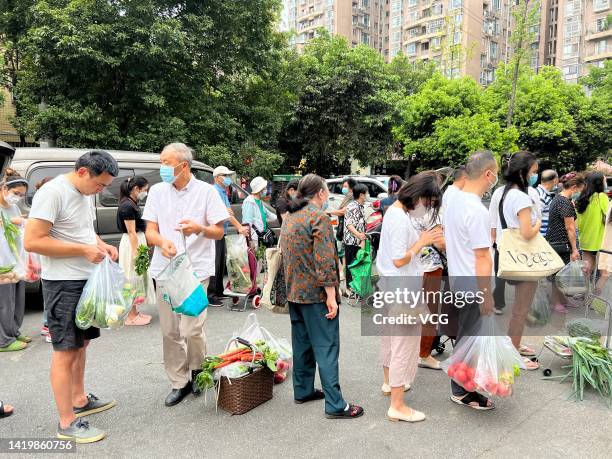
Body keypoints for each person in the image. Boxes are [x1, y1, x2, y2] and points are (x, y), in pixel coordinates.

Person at [24, 150, 120, 443]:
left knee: (82, 343)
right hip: (63, 283)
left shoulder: (83, 193)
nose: (101, 190)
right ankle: (66, 421)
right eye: (100, 185)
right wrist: (82, 251)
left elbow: (83, 232)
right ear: (82, 172)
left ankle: (79, 399)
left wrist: (102, 245)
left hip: (86, 281)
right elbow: (33, 241)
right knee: (65, 350)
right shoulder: (53, 193)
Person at [142, 143, 228, 407]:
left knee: (191, 328)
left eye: (167, 164)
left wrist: (199, 228)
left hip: (195, 272)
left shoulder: (206, 192)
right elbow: (150, 231)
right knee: (170, 331)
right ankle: (179, 382)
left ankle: (199, 369)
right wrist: (161, 242)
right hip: (165, 269)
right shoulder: (157, 191)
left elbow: (219, 231)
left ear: (184, 166)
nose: (163, 168)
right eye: (162, 163)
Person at [280, 174, 363, 419]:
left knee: (302, 344)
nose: (327, 196)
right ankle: (336, 404)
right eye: (326, 191)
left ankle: (303, 389)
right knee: (326, 347)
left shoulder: (291, 218)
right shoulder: (319, 218)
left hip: (295, 292)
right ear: (319, 193)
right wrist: (330, 295)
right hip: (316, 294)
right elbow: (326, 260)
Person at [377, 172, 443, 423]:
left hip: (391, 285)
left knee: (390, 340)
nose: (425, 209)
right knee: (404, 344)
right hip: (402, 288)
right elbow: (399, 258)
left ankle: (389, 384)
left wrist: (422, 242)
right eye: (426, 203)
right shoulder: (399, 218)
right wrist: (423, 241)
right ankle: (397, 405)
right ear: (417, 196)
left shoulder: (395, 213)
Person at [443, 150, 497, 410]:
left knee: (467, 337)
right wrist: (486, 295)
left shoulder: (454, 200)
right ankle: (463, 391)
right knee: (470, 339)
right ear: (488, 174)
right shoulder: (476, 210)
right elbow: (482, 257)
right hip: (473, 285)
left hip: (458, 280)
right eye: (495, 173)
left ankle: (465, 386)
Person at [492, 151, 541, 370]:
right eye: (533, 172)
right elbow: (527, 232)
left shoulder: (503, 193)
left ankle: (514, 345)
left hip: (508, 253)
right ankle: (513, 354)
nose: (535, 176)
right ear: (522, 173)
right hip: (524, 258)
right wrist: (538, 221)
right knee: (521, 309)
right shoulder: (522, 197)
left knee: (518, 310)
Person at [489, 167, 542, 315]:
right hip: (525, 244)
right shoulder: (530, 192)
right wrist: (538, 224)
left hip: (503, 241)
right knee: (526, 277)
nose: (534, 175)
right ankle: (524, 309)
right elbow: (537, 217)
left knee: (501, 272)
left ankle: (498, 304)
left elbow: (492, 218)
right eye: (532, 171)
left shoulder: (499, 192)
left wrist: (493, 238)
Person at [208, 166, 249, 307]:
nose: (228, 178)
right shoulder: (214, 191)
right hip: (214, 231)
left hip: (221, 231)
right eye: (224, 175)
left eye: (228, 175)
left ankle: (218, 290)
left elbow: (228, 212)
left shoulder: (223, 192)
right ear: (216, 177)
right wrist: (239, 227)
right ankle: (211, 294)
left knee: (220, 262)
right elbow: (225, 213)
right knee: (215, 263)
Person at [545, 172, 586, 312]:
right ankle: (556, 303)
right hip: (562, 244)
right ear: (574, 187)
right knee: (559, 275)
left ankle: (562, 300)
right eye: (580, 190)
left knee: (560, 274)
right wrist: (575, 249)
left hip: (554, 242)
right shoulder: (565, 203)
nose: (580, 193)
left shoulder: (557, 198)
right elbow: (570, 228)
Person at [117, 176, 154, 326]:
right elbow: (131, 232)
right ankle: (130, 317)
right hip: (132, 243)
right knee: (131, 277)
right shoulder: (127, 206)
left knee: (136, 277)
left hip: (137, 242)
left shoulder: (131, 203)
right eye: (145, 190)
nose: (146, 193)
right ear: (136, 189)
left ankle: (134, 312)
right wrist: (136, 252)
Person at [0, 169, 29, 352]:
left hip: (15, 259)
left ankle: (13, 331)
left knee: (17, 299)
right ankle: (4, 340)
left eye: (21, 195)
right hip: (2, 262)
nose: (17, 198)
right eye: (15, 194)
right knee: (4, 302)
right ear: (4, 188)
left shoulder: (13, 207)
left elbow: (17, 231)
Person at [576, 171, 609, 277]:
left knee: (586, 268)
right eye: (604, 180)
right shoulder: (601, 197)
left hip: (585, 237)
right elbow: (608, 216)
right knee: (603, 272)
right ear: (599, 182)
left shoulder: (582, 198)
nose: (605, 182)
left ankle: (585, 291)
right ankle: (596, 291)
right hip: (599, 238)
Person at [36, 176, 54, 343]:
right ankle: (48, 326)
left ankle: (47, 325)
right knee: (50, 294)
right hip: (50, 261)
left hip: (48, 261)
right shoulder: (46, 201)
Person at [343, 183, 368, 293]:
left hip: (359, 242)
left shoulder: (360, 206)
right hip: (351, 242)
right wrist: (359, 235)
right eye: (366, 193)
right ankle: (350, 289)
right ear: (362, 195)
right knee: (351, 266)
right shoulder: (352, 207)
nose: (368, 195)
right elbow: (349, 224)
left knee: (358, 266)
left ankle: (357, 288)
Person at [242, 176, 277, 247]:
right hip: (254, 239)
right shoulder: (249, 202)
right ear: (260, 189)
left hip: (261, 237)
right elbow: (247, 223)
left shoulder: (260, 202)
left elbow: (271, 216)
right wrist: (251, 241)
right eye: (264, 188)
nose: (266, 190)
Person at [536, 169, 559, 236]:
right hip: (540, 237)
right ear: (555, 180)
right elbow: (534, 218)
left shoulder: (539, 192)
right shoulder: (542, 196)